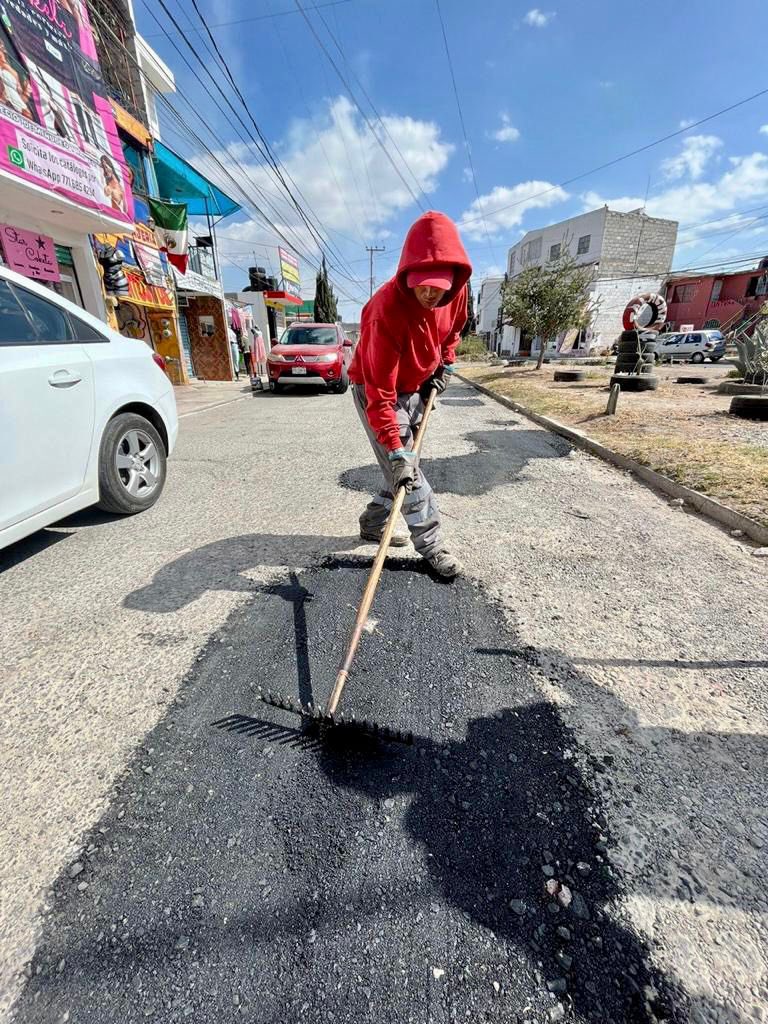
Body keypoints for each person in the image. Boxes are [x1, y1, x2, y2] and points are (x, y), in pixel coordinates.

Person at [348, 210, 471, 580]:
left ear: (454, 278)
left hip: (418, 385)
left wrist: (442, 367)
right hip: (377, 390)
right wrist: (394, 446)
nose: (431, 294)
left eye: (439, 285)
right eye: (423, 284)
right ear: (407, 274)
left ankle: (373, 522)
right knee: (407, 469)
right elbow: (380, 393)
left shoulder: (456, 294)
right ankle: (432, 546)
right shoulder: (384, 312)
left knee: (398, 470)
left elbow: (452, 332)